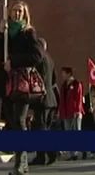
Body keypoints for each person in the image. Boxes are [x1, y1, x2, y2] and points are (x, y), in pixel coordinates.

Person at [0, 0, 43, 175]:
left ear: (24, 14)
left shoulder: (29, 32)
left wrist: (14, 61)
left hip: (21, 82)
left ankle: (19, 163)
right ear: (9, 13)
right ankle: (23, 161)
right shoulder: (5, 33)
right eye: (14, 11)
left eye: (20, 11)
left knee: (19, 120)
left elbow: (37, 56)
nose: (17, 14)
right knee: (12, 122)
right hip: (6, 82)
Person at [29, 38, 59, 166]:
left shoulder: (39, 59)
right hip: (50, 99)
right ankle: (43, 155)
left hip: (41, 98)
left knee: (40, 128)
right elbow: (53, 80)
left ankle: (49, 153)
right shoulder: (50, 60)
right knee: (43, 128)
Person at [58, 66, 84, 161]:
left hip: (75, 112)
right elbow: (61, 100)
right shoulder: (63, 85)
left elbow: (79, 98)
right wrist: (59, 111)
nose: (62, 75)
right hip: (66, 112)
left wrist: (78, 110)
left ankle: (77, 152)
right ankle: (71, 153)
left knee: (76, 131)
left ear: (69, 73)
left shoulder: (77, 84)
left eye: (63, 73)